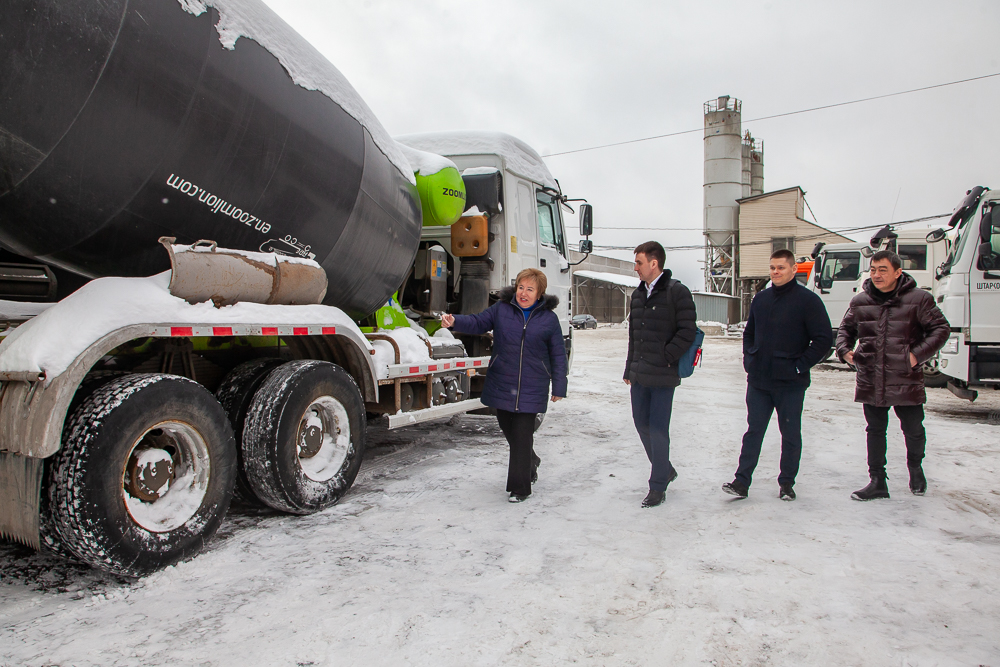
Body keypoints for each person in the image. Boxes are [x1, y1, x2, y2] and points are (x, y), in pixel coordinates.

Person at [441, 268, 567, 503]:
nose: (523, 293)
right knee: (511, 432)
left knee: (521, 435)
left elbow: (558, 354)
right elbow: (478, 322)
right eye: (521, 287)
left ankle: (520, 488)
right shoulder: (501, 309)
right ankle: (531, 461)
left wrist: (560, 386)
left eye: (530, 289)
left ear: (539, 294)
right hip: (502, 381)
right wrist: (455, 321)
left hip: (532, 384)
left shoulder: (548, 320)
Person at [836, 250, 949, 500]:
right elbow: (846, 329)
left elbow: (940, 329)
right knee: (875, 430)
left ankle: (915, 468)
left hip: (905, 377)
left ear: (898, 272)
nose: (876, 275)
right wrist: (844, 351)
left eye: (883, 270)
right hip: (870, 377)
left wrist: (916, 355)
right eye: (873, 270)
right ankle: (877, 481)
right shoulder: (861, 301)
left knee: (913, 428)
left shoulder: (919, 299)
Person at [722, 249, 833, 501]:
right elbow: (749, 332)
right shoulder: (761, 299)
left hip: (790, 383)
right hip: (760, 380)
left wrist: (799, 366)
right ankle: (741, 482)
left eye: (781, 268)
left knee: (790, 433)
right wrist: (749, 358)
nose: (775, 272)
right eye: (772, 268)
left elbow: (824, 339)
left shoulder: (808, 301)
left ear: (794, 269)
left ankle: (786, 483)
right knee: (754, 431)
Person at [624, 241, 697, 508]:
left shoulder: (677, 292)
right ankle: (664, 468)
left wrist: (667, 356)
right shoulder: (638, 295)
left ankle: (657, 487)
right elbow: (634, 335)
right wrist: (629, 368)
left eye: (639, 263)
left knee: (657, 429)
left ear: (654, 263)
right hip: (640, 374)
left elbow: (688, 331)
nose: (636, 268)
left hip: (664, 375)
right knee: (640, 423)